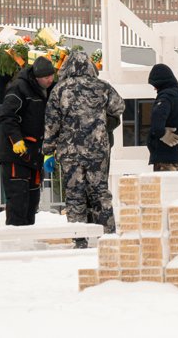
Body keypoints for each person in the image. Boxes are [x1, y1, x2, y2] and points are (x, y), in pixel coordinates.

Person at [43, 51, 124, 247]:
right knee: (100, 192)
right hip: (98, 150)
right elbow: (119, 107)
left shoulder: (60, 89)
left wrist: (48, 149)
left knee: (75, 194)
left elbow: (52, 122)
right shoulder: (103, 87)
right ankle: (108, 236)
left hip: (70, 153)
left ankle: (79, 239)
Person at [0, 56, 55, 226]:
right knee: (18, 201)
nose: (50, 80)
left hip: (33, 155)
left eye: (51, 76)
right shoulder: (18, 89)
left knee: (32, 203)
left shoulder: (49, 91)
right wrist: (16, 140)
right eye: (46, 77)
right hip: (16, 155)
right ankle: (16, 243)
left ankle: (28, 242)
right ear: (37, 77)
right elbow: (7, 116)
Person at [147, 63, 178, 171]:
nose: (154, 89)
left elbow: (157, 121)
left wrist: (161, 134)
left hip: (165, 154)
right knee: (177, 187)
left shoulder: (166, 97)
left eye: (155, 85)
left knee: (165, 187)